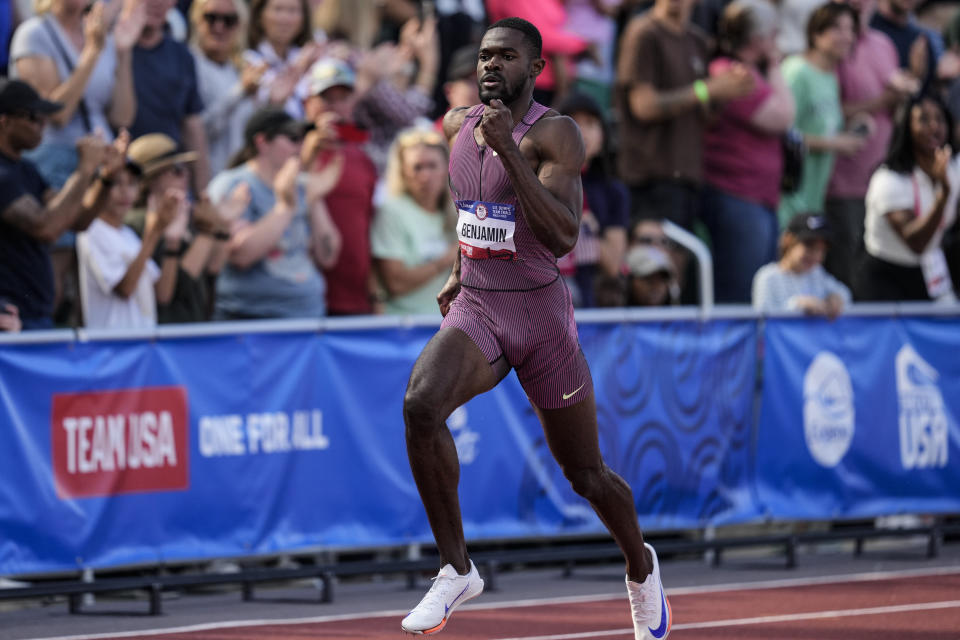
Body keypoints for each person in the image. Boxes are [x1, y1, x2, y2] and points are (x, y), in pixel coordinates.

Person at [400, 18, 671, 639]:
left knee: (587, 475)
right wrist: (457, 266)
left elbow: (561, 235)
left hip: (542, 318)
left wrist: (508, 152)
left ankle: (640, 565)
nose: (490, 65)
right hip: (481, 307)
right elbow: (478, 213)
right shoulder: (454, 127)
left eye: (506, 56)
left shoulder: (556, 134)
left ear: (536, 66)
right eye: (484, 57)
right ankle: (455, 568)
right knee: (421, 404)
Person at [615, 0, 754, 229]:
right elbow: (643, 106)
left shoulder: (697, 41)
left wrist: (727, 89)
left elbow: (706, 116)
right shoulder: (643, 32)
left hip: (687, 178)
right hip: (648, 178)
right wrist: (706, 89)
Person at [0, 78, 114, 330]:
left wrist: (106, 178)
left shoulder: (26, 170)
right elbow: (46, 229)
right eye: (33, 117)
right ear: (4, 120)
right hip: (11, 318)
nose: (42, 124)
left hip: (33, 314)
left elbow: (77, 220)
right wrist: (83, 170)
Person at [701, 0, 795, 303]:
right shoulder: (731, 73)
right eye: (773, 34)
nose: (776, 40)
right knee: (741, 292)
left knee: (760, 291)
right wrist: (777, 65)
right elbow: (783, 117)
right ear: (757, 39)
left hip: (758, 198)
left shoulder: (750, 71)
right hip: (738, 196)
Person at [207, 106, 340, 319]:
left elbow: (328, 256)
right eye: (292, 138)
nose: (300, 146)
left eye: (302, 138)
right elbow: (240, 256)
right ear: (262, 142)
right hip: (254, 321)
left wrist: (313, 197)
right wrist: (285, 206)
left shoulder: (301, 184)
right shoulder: (233, 184)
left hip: (308, 316)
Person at [824, 0, 915, 289]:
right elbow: (831, 109)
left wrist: (908, 90)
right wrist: (882, 101)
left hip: (882, 180)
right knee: (846, 273)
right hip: (842, 183)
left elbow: (893, 109)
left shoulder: (883, 43)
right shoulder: (834, 46)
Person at [9, 0, 141, 187]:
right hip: (54, 163)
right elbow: (57, 113)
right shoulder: (33, 33)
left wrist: (124, 52)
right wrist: (92, 52)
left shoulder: (103, 35)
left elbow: (122, 118)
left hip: (101, 160)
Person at [854, 94, 960, 302]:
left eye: (939, 119)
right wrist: (944, 194)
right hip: (885, 274)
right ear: (906, 127)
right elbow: (916, 242)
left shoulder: (954, 166)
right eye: (924, 120)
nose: (934, 127)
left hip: (929, 268)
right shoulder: (889, 179)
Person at [778, 1, 864, 228]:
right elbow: (783, 135)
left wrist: (855, 128)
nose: (847, 37)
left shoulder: (830, 76)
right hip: (788, 199)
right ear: (816, 33)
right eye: (837, 28)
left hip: (813, 199)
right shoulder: (797, 71)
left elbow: (821, 126)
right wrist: (835, 144)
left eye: (851, 29)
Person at [302, 57, 377, 315]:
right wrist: (308, 149)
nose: (334, 106)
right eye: (326, 98)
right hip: (306, 299)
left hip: (357, 297)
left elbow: (369, 225)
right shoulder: (289, 150)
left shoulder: (363, 154)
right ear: (307, 103)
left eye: (342, 97)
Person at [76, 149, 181, 329]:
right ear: (97, 188)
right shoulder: (91, 231)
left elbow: (162, 294)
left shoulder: (128, 235)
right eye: (116, 183)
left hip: (141, 347)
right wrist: (153, 233)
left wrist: (172, 240)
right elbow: (124, 289)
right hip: (114, 350)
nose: (125, 191)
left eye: (132, 183)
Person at [370, 127, 458, 315]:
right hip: (405, 329)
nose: (425, 176)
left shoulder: (455, 212)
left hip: (446, 323)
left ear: (446, 168)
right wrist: (446, 259)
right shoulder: (392, 212)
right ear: (403, 172)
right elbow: (396, 284)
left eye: (432, 166)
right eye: (417, 167)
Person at [557, 91, 630, 308]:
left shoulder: (614, 192)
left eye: (590, 123)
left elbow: (614, 265)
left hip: (589, 305)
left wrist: (586, 228)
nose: (581, 131)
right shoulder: (535, 181)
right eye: (572, 123)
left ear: (603, 135)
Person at [131, 0, 210, 195]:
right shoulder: (108, 48)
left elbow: (192, 125)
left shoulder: (182, 55)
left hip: (169, 176)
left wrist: (203, 194)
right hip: (125, 177)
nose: (157, 3)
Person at [190, 0, 264, 176]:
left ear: (241, 25)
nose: (219, 27)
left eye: (229, 20)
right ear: (197, 20)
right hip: (207, 180)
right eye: (211, 18)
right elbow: (199, 131)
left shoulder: (244, 67)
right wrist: (240, 93)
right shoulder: (189, 65)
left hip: (243, 179)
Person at [752, 211, 852, 316]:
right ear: (788, 240)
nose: (816, 255)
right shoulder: (767, 277)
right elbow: (762, 321)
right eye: (809, 245)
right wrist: (797, 305)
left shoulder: (817, 274)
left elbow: (845, 293)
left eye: (822, 250)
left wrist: (836, 297)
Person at [244, 0, 321, 120]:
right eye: (278, 9)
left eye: (292, 10)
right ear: (260, 15)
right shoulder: (248, 61)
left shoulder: (309, 58)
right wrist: (273, 102)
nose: (285, 18)